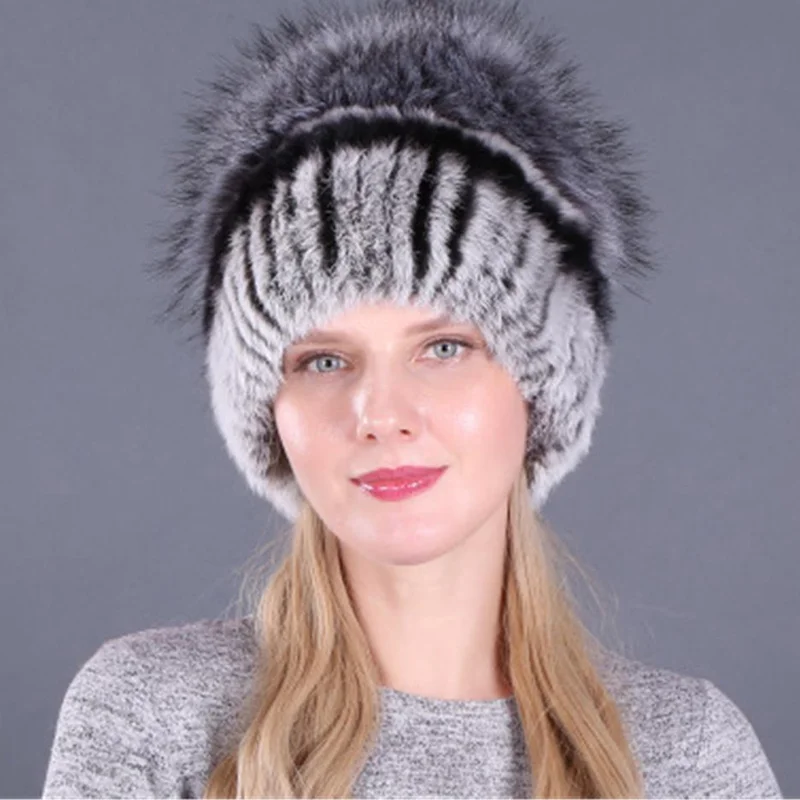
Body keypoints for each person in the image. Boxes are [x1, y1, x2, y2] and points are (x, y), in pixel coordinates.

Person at [42, 0, 783, 797]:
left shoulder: (684, 753)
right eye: (324, 360)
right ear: (268, 415)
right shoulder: (154, 714)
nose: (380, 415)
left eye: (443, 348)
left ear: (541, 387)